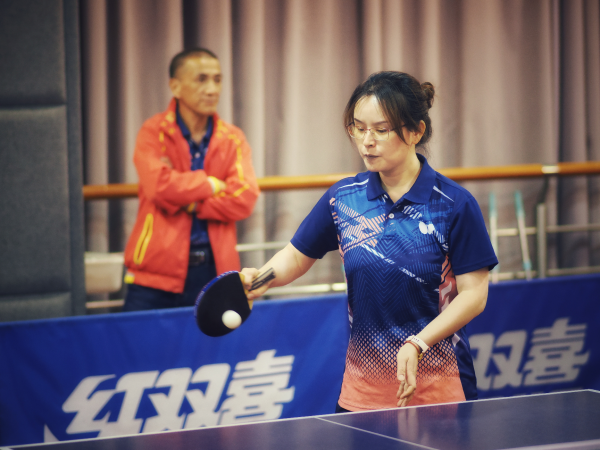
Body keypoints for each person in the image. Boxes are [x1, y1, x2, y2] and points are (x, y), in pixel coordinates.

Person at [241, 71, 498, 412]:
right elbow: (297, 256)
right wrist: (259, 280)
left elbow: (474, 296)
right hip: (361, 395)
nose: (367, 141)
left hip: (440, 391)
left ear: (415, 131)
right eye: (359, 128)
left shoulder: (453, 204)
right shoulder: (343, 198)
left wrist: (418, 343)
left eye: (381, 129)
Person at [122, 48, 260, 311]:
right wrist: (211, 185)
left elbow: (244, 198)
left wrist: (191, 201)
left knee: (218, 339)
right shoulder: (153, 131)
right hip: (154, 272)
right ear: (175, 86)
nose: (212, 89)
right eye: (201, 79)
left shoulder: (233, 138)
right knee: (139, 338)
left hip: (214, 270)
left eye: (217, 80)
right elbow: (159, 187)